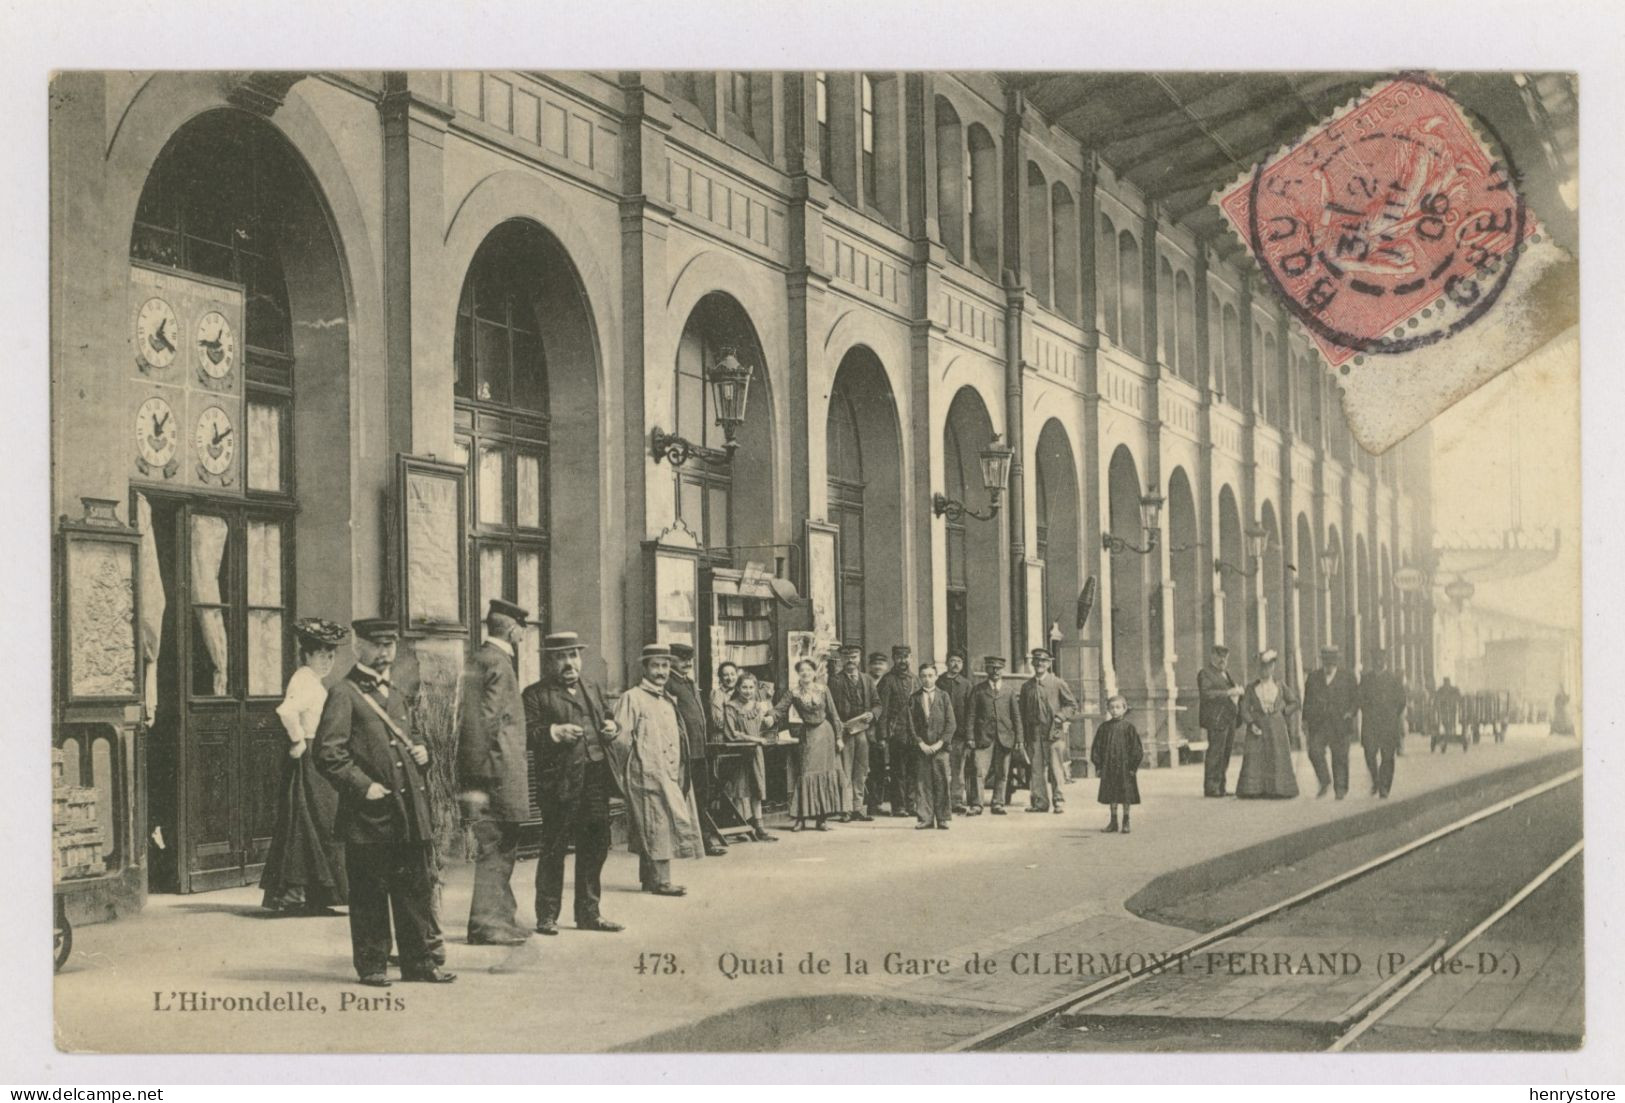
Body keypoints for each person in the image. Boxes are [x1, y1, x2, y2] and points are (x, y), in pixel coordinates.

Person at [312, 617, 453, 987]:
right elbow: (327, 753)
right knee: (370, 893)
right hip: (369, 815)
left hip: (407, 812)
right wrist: (362, 786)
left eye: (390, 645)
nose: (385, 652)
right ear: (359, 647)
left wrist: (423, 751)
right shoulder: (344, 693)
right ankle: (372, 965)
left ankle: (419, 963)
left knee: (414, 891)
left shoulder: (397, 691)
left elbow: (411, 734)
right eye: (377, 645)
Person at [522, 630, 623, 936]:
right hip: (560, 783)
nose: (570, 663)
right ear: (550, 661)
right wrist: (554, 732)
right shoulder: (535, 694)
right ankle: (547, 916)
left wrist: (611, 726)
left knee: (595, 847)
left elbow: (607, 716)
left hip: (595, 779)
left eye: (574, 655)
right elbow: (526, 733)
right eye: (562, 657)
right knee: (554, 849)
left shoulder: (591, 686)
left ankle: (589, 914)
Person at [457, 598, 533, 946]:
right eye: (522, 629)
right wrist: (477, 780)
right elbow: (482, 723)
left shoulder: (483, 658)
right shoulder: (498, 663)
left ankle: (501, 917)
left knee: (501, 847)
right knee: (497, 847)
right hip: (497, 774)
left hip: (494, 771)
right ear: (513, 629)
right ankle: (487, 924)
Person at [261, 617, 350, 915]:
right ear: (307, 654)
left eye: (331, 654)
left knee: (316, 821)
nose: (327, 660)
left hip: (318, 755)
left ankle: (312, 893)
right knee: (310, 820)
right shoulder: (303, 678)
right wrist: (298, 740)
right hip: (310, 756)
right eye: (321, 654)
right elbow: (287, 711)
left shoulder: (314, 681)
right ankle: (296, 891)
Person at [611, 644, 703, 896]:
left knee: (655, 825)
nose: (661, 671)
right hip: (646, 774)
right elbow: (620, 739)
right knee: (657, 825)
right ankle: (662, 881)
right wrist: (634, 767)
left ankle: (649, 879)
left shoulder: (666, 699)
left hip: (669, 772)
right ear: (645, 668)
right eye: (655, 665)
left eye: (664, 666)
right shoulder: (633, 697)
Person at [775, 658, 852, 831]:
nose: (806, 673)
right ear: (798, 674)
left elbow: (834, 715)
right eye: (802, 670)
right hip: (808, 735)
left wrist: (839, 737)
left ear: (814, 672)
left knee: (826, 774)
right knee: (806, 774)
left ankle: (822, 819)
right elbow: (780, 709)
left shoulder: (823, 690)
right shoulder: (793, 693)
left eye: (809, 670)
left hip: (826, 734)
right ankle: (801, 819)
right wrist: (769, 716)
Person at [667, 643, 729, 857]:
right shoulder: (668, 683)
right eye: (682, 658)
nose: (687, 663)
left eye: (689, 659)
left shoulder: (688, 682)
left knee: (701, 797)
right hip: (683, 752)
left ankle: (702, 841)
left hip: (699, 749)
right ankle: (689, 842)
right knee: (684, 797)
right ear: (670, 659)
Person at [717, 671, 778, 842]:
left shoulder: (758, 706)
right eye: (744, 687)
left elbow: (766, 726)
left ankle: (759, 827)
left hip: (755, 752)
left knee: (757, 788)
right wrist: (755, 739)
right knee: (740, 788)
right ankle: (740, 825)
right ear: (737, 687)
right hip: (738, 752)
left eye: (751, 687)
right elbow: (731, 733)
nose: (748, 691)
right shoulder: (731, 707)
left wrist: (769, 720)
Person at [1019, 647, 1079, 814]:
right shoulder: (1027, 687)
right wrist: (1023, 735)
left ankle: (1059, 801)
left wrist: (1061, 716)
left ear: (1049, 664)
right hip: (1034, 733)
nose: (1039, 664)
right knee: (1036, 769)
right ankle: (1040, 802)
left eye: (1043, 661)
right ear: (1032, 663)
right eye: (1036, 661)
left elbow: (1072, 705)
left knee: (1055, 768)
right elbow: (1022, 712)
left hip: (1053, 732)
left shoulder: (1057, 683)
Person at [1236, 649, 1300, 799]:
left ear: (1273, 668)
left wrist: (1283, 711)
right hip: (1257, 726)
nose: (1264, 670)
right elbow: (1244, 708)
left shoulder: (1280, 686)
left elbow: (1295, 702)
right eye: (1261, 667)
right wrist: (1251, 723)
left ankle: (1279, 789)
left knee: (1277, 756)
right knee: (1255, 756)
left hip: (1277, 727)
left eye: (1267, 667)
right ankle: (1253, 789)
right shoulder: (1251, 688)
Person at [826, 644, 880, 823]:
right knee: (846, 771)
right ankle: (846, 809)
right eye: (847, 657)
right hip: (845, 732)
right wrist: (838, 729)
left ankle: (858, 808)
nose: (851, 661)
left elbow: (877, 704)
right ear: (842, 659)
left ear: (859, 658)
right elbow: (830, 708)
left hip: (863, 732)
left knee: (861, 770)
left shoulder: (867, 680)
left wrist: (872, 714)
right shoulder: (834, 681)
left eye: (854, 657)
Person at [1301, 645, 1358, 799]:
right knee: (1314, 751)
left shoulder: (1348, 677)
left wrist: (1351, 712)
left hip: (1340, 723)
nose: (1328, 666)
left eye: (1331, 662)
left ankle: (1340, 789)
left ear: (1336, 662)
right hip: (1319, 724)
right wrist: (1305, 720)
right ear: (1322, 662)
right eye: (1326, 662)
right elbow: (1307, 701)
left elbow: (1356, 699)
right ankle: (1325, 780)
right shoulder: (1313, 677)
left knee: (1340, 757)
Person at [970, 655, 1022, 814]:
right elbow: (971, 715)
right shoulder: (978, 690)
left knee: (1003, 773)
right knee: (979, 772)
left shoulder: (1009, 691)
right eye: (992, 668)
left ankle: (998, 803)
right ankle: (977, 804)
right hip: (983, 738)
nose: (995, 672)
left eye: (998, 668)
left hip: (1005, 737)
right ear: (986, 670)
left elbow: (1016, 716)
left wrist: (1019, 738)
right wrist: (970, 737)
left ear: (1002, 670)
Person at [910, 661, 955, 830]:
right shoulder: (914, 698)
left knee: (941, 781)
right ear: (920, 678)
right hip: (922, 749)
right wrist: (920, 743)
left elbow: (951, 723)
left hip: (940, 748)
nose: (927, 679)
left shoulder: (944, 696)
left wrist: (940, 743)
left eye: (930, 676)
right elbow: (911, 724)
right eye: (923, 676)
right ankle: (925, 818)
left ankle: (943, 817)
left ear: (936, 677)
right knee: (923, 783)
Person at [1357, 651, 1407, 797]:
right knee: (1369, 754)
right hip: (1370, 724)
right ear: (1373, 663)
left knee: (1387, 757)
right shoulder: (1366, 679)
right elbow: (1360, 698)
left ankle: (1384, 787)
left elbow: (1401, 700)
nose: (1379, 663)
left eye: (1381, 661)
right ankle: (1376, 779)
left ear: (1386, 662)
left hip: (1388, 724)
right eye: (1376, 661)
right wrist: (1367, 709)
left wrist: (1392, 714)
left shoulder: (1393, 680)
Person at [1091, 694, 1143, 834]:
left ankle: (1126, 820)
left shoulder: (1128, 728)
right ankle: (1113, 821)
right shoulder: (1104, 728)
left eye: (1118, 707)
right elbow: (1097, 748)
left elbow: (1136, 749)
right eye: (1112, 707)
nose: (1115, 710)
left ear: (1124, 709)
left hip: (1125, 768)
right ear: (1108, 709)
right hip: (1109, 767)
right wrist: (1099, 766)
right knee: (1112, 794)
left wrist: (1133, 767)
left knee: (1126, 794)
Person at [876, 645, 918, 817]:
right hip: (896, 734)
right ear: (894, 658)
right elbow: (883, 711)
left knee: (913, 771)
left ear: (911, 658)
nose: (903, 661)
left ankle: (911, 804)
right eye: (899, 657)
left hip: (914, 734)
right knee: (898, 771)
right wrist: (883, 736)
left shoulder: (916, 680)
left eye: (906, 657)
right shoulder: (887, 681)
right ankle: (898, 806)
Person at [1198, 644, 1244, 797]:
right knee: (1215, 753)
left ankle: (1221, 787)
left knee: (1225, 753)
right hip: (1216, 718)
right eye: (1219, 657)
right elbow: (1206, 694)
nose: (1222, 660)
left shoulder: (1226, 674)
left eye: (1225, 657)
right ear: (1212, 656)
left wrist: (1237, 691)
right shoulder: (1205, 674)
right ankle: (1211, 788)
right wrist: (1228, 692)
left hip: (1229, 718)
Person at [937, 650, 978, 815]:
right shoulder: (939, 682)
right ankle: (941, 802)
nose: (955, 664)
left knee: (957, 770)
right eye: (952, 661)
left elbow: (971, 711)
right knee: (941, 768)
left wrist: (969, 735)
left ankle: (956, 801)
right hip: (940, 734)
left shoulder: (967, 685)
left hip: (959, 735)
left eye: (959, 662)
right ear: (947, 663)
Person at [865, 651, 892, 814]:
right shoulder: (864, 681)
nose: (878, 667)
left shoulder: (889, 681)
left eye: (881, 664)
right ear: (869, 666)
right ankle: (863, 803)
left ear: (886, 666)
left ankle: (877, 803)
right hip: (864, 728)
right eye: (875, 664)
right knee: (863, 768)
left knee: (880, 768)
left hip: (884, 731)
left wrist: (884, 733)